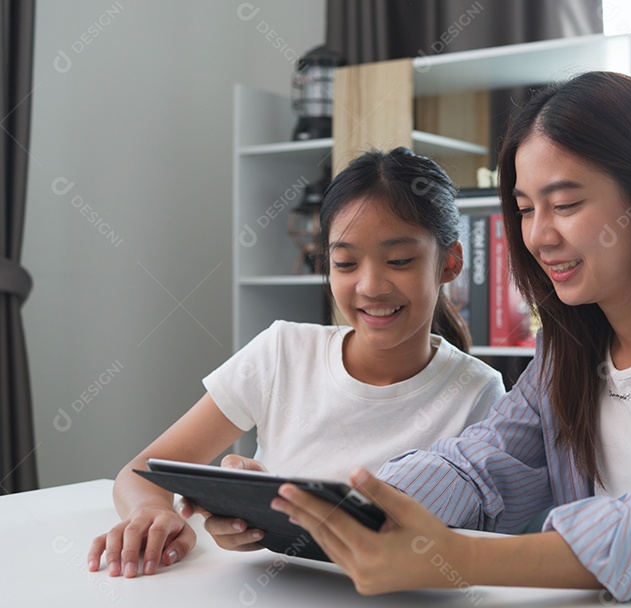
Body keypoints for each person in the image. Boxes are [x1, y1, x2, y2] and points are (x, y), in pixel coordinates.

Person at [271, 71, 631, 602]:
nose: (539, 236)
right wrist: (307, 513)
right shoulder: (569, 347)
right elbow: (480, 465)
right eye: (525, 209)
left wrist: (462, 558)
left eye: (566, 203)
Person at [86, 148, 505, 578]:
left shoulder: (478, 391)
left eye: (399, 261)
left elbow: (474, 538)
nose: (371, 285)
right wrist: (155, 513)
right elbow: (142, 471)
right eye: (345, 262)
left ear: (449, 262)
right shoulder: (282, 351)